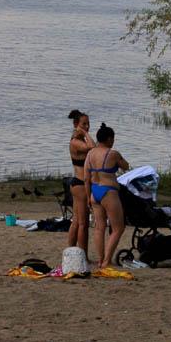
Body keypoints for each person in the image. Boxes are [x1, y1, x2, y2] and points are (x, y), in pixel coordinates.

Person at [84, 123, 129, 265]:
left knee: (99, 228)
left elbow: (86, 178)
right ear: (109, 139)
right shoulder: (113, 153)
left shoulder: (90, 153)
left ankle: (100, 259)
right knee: (118, 228)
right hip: (108, 191)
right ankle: (106, 260)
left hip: (94, 191)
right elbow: (126, 166)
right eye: (113, 139)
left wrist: (88, 197)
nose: (113, 142)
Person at [66, 110, 92, 252]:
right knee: (83, 224)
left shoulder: (79, 140)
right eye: (84, 124)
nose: (87, 126)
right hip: (80, 184)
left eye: (88, 124)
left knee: (76, 221)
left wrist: (83, 133)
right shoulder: (76, 142)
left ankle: (70, 252)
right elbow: (92, 147)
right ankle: (83, 255)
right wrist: (86, 134)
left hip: (79, 183)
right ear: (76, 124)